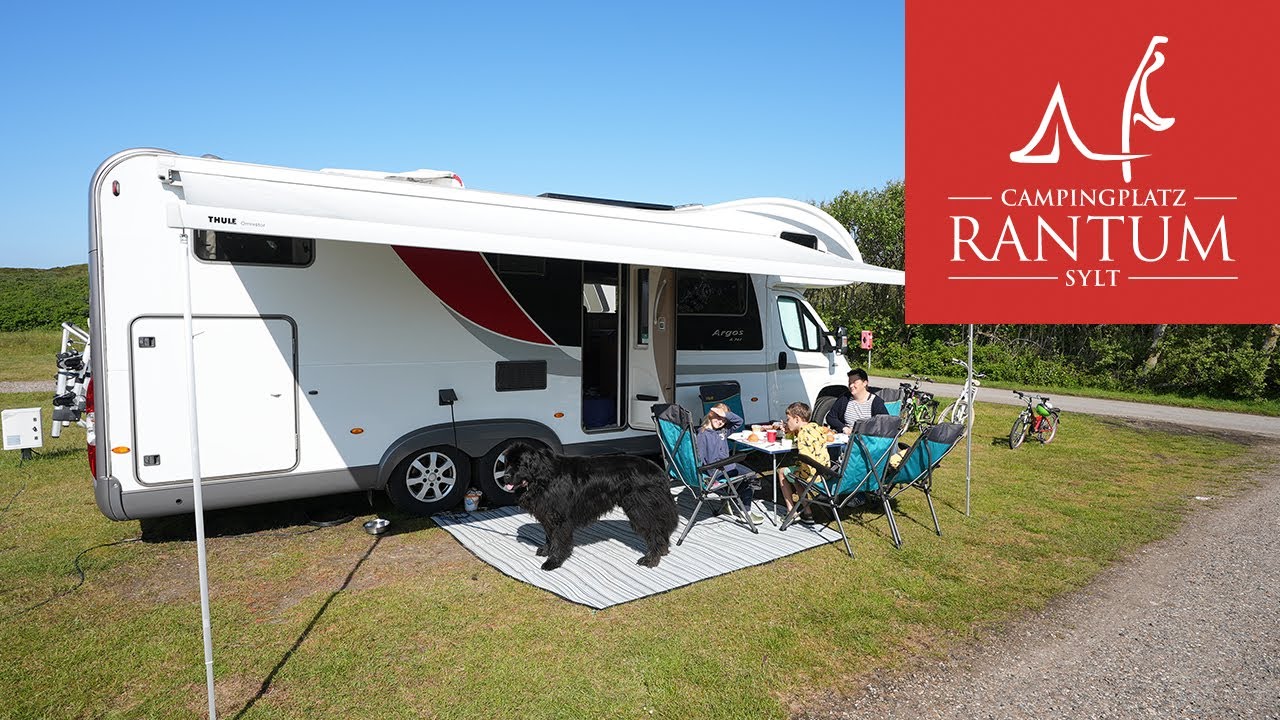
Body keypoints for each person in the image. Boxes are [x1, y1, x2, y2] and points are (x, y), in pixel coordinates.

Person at [696, 403, 763, 524]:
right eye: (718, 417)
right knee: (750, 477)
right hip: (716, 471)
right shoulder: (702, 434)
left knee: (749, 476)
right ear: (711, 415)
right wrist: (708, 475)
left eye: (724, 420)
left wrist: (725, 414)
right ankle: (745, 512)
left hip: (727, 466)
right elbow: (700, 458)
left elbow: (739, 421)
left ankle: (728, 501)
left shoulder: (723, 431)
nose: (720, 421)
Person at [776, 401, 830, 526]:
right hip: (824, 472)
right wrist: (789, 431)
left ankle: (791, 511)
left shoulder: (802, 435)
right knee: (795, 472)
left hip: (811, 475)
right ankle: (807, 512)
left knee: (782, 472)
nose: (786, 421)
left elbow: (805, 459)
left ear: (796, 419)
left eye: (788, 419)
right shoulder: (816, 428)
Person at [825, 368, 889, 433]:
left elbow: (885, 423)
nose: (851, 385)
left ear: (865, 383)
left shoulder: (876, 402)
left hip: (867, 439)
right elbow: (830, 417)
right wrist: (843, 428)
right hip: (846, 437)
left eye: (855, 382)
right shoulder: (844, 398)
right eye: (849, 383)